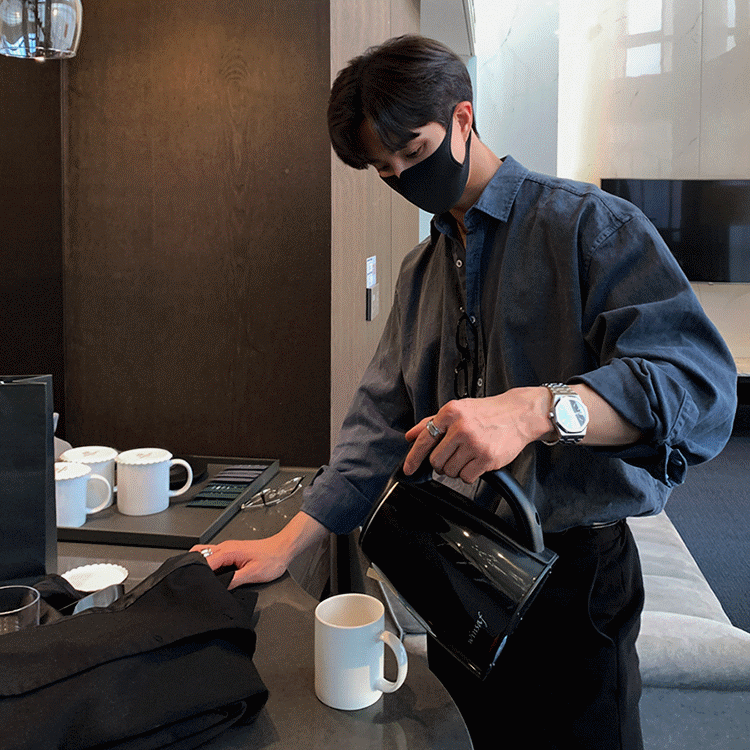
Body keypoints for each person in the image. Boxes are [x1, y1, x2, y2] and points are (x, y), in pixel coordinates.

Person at [193, 35, 737, 749]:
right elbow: (377, 425)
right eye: (384, 170)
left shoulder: (589, 227)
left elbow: (699, 390)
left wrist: (540, 409)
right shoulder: (421, 272)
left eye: (413, 152)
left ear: (462, 118)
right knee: (469, 732)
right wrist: (288, 542)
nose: (402, 176)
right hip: (458, 566)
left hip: (575, 579)